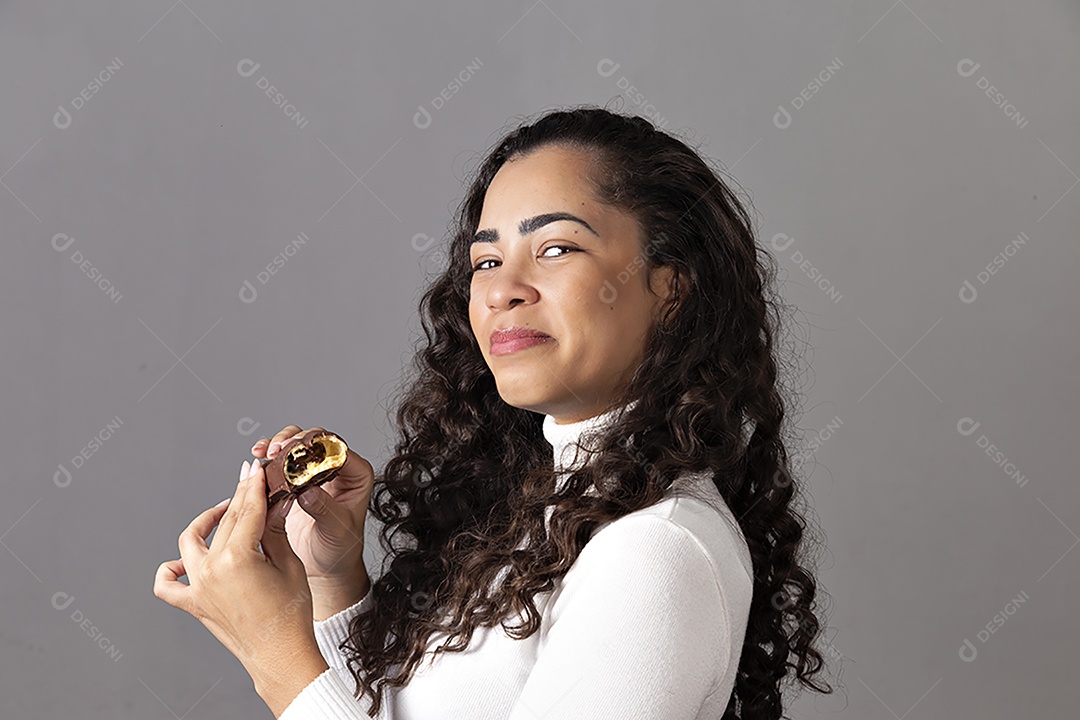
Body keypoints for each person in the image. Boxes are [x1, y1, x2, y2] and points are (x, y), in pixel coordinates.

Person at [154, 106, 835, 719]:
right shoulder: (527, 517)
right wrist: (333, 580)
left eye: (558, 248)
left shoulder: (654, 548)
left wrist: (274, 651)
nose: (504, 289)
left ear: (671, 287)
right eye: (485, 260)